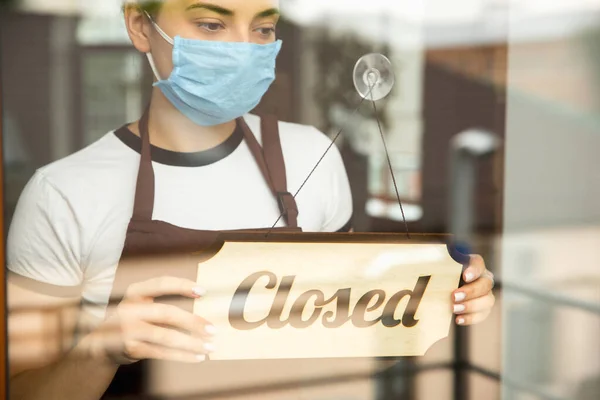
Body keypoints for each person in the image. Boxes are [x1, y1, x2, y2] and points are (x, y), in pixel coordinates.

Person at [6, 1, 496, 399]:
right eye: (212, 23)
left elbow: (351, 341)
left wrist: (437, 297)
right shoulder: (62, 195)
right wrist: (102, 349)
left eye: (262, 28)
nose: (243, 47)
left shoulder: (315, 158)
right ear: (139, 25)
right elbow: (21, 392)